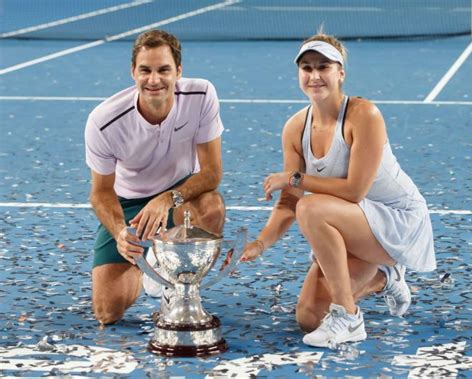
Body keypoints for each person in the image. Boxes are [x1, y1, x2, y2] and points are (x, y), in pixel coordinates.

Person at [241, 33, 436, 347]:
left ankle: (348, 317)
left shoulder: (364, 115)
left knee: (312, 207)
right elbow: (289, 202)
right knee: (309, 317)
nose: (315, 75)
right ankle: (386, 278)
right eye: (306, 68)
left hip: (397, 224)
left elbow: (355, 191)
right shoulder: (295, 127)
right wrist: (260, 244)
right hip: (349, 226)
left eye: (324, 67)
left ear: (340, 73)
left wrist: (295, 178)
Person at [84, 29, 225, 325]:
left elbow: (211, 173)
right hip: (128, 205)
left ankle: (178, 284)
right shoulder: (103, 121)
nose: (154, 80)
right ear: (133, 72)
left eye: (163, 70)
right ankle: (151, 260)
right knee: (107, 312)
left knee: (211, 208)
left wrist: (167, 198)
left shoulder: (201, 95)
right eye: (145, 70)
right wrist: (121, 232)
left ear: (179, 71)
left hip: (178, 194)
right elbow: (100, 193)